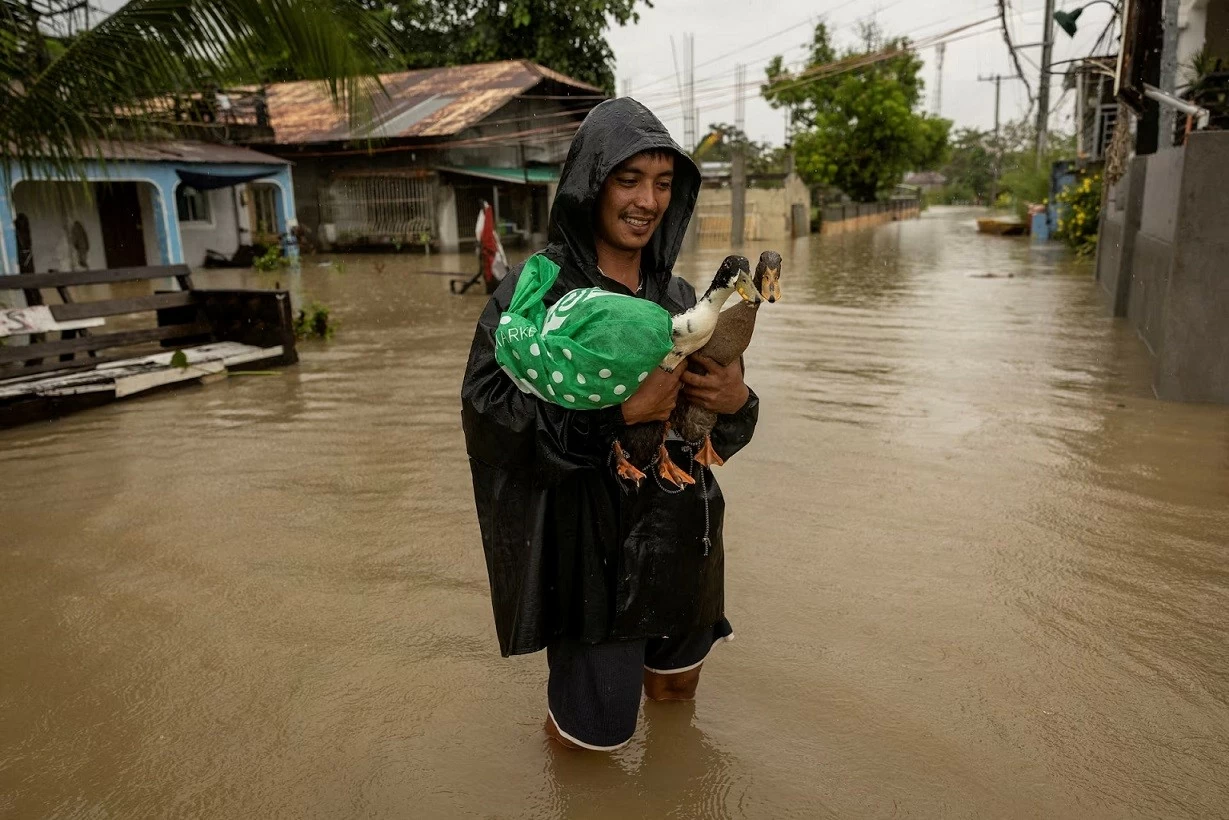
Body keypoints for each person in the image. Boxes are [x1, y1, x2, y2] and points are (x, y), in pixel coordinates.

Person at [460, 98, 759, 751]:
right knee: (594, 739)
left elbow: (716, 441)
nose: (647, 200)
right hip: (590, 554)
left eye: (662, 183)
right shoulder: (534, 297)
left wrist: (736, 401)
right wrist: (616, 414)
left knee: (676, 697)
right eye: (628, 180)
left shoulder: (681, 300)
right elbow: (489, 421)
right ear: (589, 186)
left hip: (685, 539)